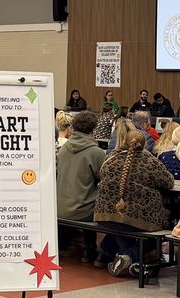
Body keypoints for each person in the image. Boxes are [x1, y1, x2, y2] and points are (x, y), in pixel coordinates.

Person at [94, 127, 173, 277]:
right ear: (144, 144)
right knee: (160, 231)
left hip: (104, 215)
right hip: (139, 218)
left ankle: (105, 252)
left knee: (120, 223)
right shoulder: (150, 162)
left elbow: (101, 175)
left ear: (124, 141)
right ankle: (128, 256)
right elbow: (169, 182)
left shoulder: (111, 158)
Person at [56, 110, 106, 261]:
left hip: (60, 208)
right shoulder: (97, 153)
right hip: (83, 211)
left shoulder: (63, 149)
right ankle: (90, 250)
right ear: (93, 129)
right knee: (94, 204)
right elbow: (104, 181)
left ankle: (64, 246)